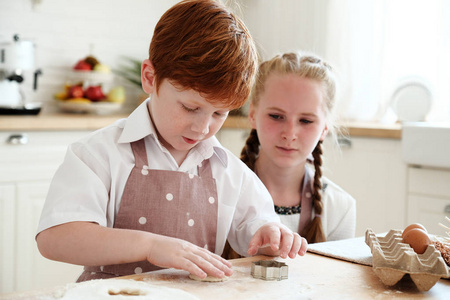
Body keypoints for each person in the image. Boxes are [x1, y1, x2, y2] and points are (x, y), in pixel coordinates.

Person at [35, 0, 307, 283]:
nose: (203, 127)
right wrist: (151, 246)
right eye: (190, 108)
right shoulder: (98, 154)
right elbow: (55, 238)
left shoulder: (227, 170)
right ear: (150, 77)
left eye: (219, 113)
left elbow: (256, 228)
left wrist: (269, 236)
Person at [241, 52, 356, 244]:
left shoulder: (340, 208)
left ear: (324, 129)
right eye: (276, 116)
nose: (290, 133)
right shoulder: (218, 192)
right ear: (252, 114)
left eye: (305, 120)